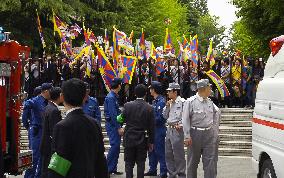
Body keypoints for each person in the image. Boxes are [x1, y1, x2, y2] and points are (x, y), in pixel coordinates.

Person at [48, 78, 108, 178]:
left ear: (62, 96)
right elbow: (101, 162)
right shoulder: (94, 124)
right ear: (85, 97)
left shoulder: (62, 127)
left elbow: (57, 167)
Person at [182, 79, 221, 178]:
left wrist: (215, 132)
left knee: (210, 163)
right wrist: (187, 136)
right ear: (203, 89)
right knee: (192, 163)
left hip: (209, 134)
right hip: (195, 135)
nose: (211, 89)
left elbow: (217, 112)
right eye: (209, 87)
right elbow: (185, 119)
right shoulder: (190, 102)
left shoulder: (210, 102)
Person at [120, 84, 155, 178]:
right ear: (145, 94)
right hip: (142, 139)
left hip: (129, 137)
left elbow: (120, 119)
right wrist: (151, 142)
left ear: (135, 94)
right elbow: (152, 127)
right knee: (141, 163)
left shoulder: (127, 106)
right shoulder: (150, 108)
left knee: (128, 163)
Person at [22, 83, 53, 178]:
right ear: (46, 91)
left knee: (43, 157)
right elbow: (26, 105)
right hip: (37, 131)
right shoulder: (36, 100)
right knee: (34, 157)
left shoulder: (48, 101)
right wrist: (29, 126)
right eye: (50, 90)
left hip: (45, 131)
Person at [163, 83, 186, 178]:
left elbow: (187, 116)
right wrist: (167, 106)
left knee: (178, 153)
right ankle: (171, 174)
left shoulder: (183, 102)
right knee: (168, 153)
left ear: (175, 92)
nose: (168, 93)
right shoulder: (170, 102)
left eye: (169, 91)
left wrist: (180, 124)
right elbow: (164, 116)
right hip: (169, 128)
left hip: (177, 130)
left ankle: (181, 174)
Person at [145, 81, 167, 178]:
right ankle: (152, 169)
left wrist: (149, 121)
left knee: (159, 150)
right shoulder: (154, 101)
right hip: (152, 129)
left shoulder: (161, 101)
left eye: (151, 89)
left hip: (159, 129)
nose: (150, 90)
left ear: (154, 90)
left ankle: (163, 171)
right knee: (151, 150)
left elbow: (161, 118)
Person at [40, 87, 63, 177]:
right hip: (50, 146)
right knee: (50, 172)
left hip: (45, 143)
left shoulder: (48, 107)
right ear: (59, 96)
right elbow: (54, 131)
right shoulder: (54, 110)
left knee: (45, 170)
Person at [104, 78, 123, 175]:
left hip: (114, 124)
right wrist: (118, 127)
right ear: (119, 85)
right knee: (114, 145)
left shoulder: (114, 96)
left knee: (117, 147)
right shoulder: (111, 97)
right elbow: (113, 114)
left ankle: (113, 168)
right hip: (112, 125)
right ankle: (107, 169)